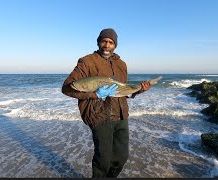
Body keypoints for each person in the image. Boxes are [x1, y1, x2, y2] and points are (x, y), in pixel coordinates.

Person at [62, 28, 151, 177]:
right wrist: (95, 95)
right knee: (103, 160)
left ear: (115, 45)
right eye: (104, 41)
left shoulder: (122, 64)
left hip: (121, 115)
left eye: (111, 42)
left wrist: (139, 90)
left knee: (121, 158)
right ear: (98, 42)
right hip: (99, 115)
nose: (107, 45)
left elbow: (123, 92)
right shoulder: (87, 62)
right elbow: (66, 88)